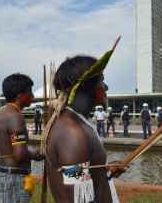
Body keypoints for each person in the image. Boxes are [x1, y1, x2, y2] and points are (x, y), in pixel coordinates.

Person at [45, 41, 123, 203]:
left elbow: (80, 174)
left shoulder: (76, 123)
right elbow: (77, 194)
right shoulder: (73, 133)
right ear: (88, 86)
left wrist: (104, 171)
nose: (106, 87)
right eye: (101, 80)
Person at [0, 73, 44, 203]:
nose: (32, 96)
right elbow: (20, 154)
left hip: (5, 176)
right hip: (13, 180)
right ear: (20, 96)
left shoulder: (3, 112)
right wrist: (35, 154)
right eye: (30, 92)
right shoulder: (15, 117)